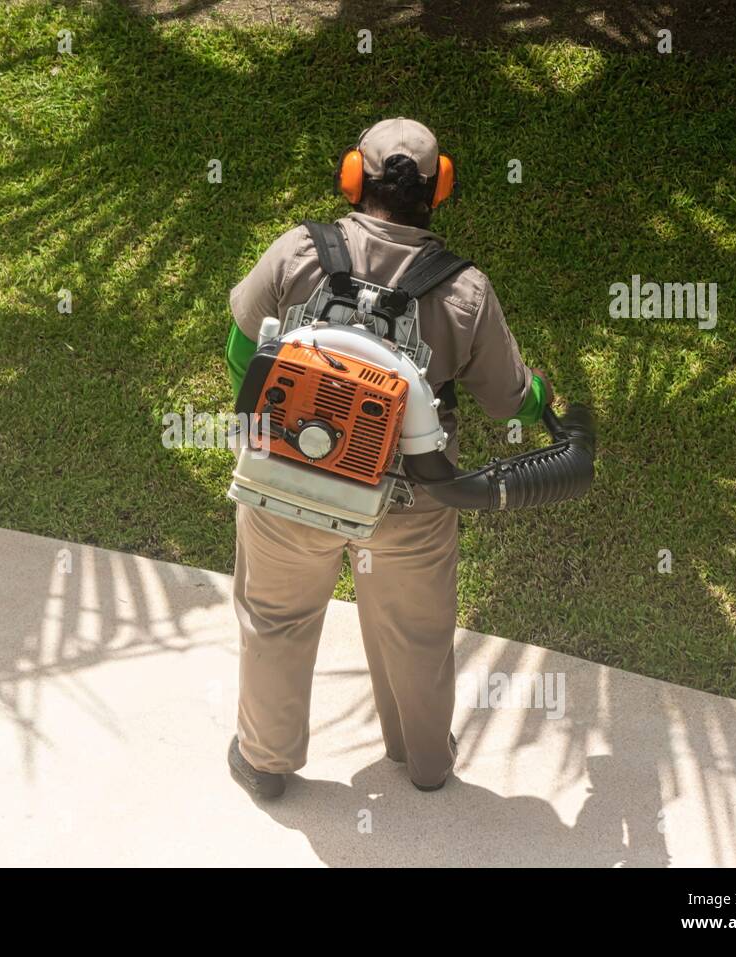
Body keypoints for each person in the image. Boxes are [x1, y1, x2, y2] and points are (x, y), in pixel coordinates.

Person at [223, 117, 552, 798]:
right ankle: (423, 759)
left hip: (289, 488)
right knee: (417, 633)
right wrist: (548, 402)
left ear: (352, 176)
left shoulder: (297, 252)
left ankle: (265, 760)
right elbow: (508, 399)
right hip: (411, 504)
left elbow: (240, 352)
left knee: (277, 621)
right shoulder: (464, 290)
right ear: (442, 188)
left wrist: (273, 433)